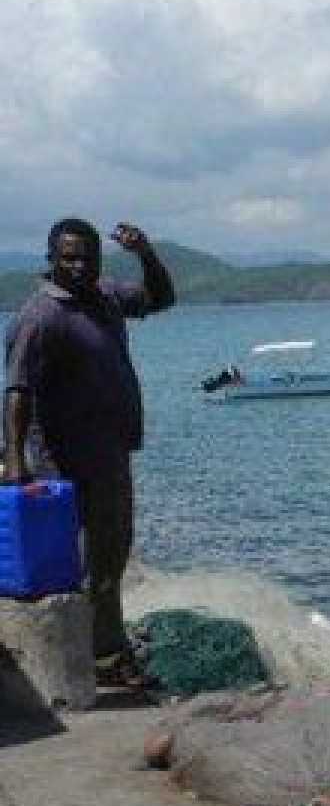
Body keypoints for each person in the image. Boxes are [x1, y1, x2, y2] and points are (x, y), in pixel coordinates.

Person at [4, 219, 175, 688]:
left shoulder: (104, 297)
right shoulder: (42, 316)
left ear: (99, 261)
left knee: (111, 555)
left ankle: (107, 650)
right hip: (62, 461)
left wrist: (145, 253)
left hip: (110, 451)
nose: (78, 266)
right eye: (68, 257)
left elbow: (160, 298)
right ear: (51, 259)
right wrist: (16, 462)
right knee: (77, 563)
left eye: (87, 258)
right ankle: (96, 658)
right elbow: (18, 391)